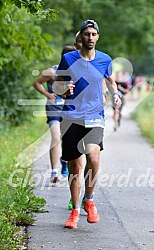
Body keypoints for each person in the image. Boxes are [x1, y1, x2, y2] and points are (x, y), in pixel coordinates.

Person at [53, 19, 121, 229]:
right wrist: (63, 91)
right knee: (75, 165)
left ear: (97, 37)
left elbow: (110, 80)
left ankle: (88, 200)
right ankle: (74, 210)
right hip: (72, 116)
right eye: (86, 34)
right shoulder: (68, 59)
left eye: (93, 34)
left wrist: (116, 95)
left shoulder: (104, 59)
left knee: (93, 157)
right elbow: (57, 84)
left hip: (94, 116)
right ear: (80, 37)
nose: (90, 37)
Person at [33, 46, 76, 183]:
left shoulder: (76, 74)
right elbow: (37, 83)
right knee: (56, 137)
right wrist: (47, 94)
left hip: (68, 111)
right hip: (53, 110)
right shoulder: (52, 72)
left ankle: (64, 161)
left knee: (66, 139)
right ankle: (54, 172)